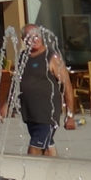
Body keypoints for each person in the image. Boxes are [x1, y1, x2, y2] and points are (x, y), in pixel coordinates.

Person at [14, 26, 74, 157]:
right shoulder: (23, 57)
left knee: (35, 148)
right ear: (23, 39)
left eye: (37, 35)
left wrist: (70, 115)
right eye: (30, 37)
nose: (34, 39)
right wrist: (5, 105)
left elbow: (67, 86)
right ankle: (55, 169)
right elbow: (15, 82)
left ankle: (31, 170)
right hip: (30, 114)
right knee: (47, 147)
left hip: (47, 114)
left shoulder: (52, 57)